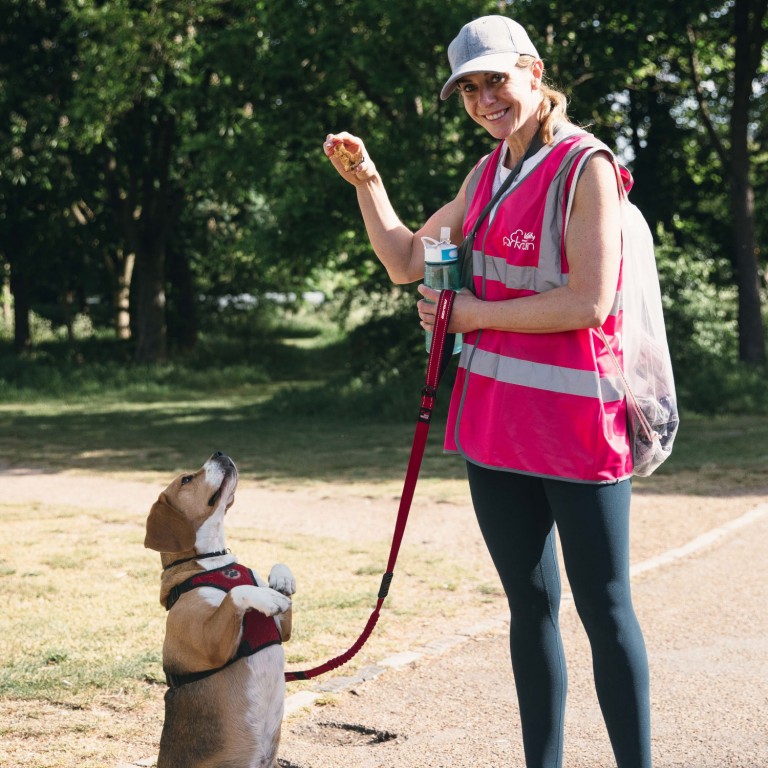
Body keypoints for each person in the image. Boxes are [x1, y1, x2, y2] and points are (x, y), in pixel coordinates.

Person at [323, 14, 652, 768]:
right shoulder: (486, 175)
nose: (483, 98)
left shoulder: (585, 166)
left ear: (533, 72)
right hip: (497, 428)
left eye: (495, 80)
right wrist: (368, 183)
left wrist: (470, 313)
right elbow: (408, 259)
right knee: (530, 609)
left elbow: (589, 300)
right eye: (468, 88)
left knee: (604, 610)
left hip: (576, 427)